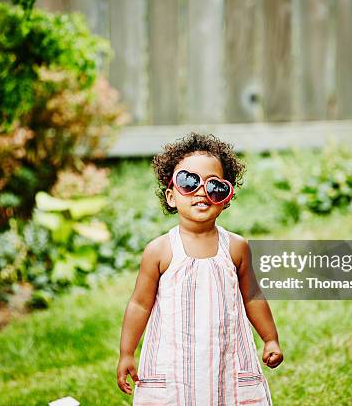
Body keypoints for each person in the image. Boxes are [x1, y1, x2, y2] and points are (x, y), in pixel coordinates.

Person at [117, 132, 283, 405]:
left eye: (214, 186)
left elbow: (252, 296)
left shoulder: (236, 247)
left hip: (225, 360)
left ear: (225, 198)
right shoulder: (160, 251)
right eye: (188, 182)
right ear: (171, 196)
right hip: (174, 365)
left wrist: (270, 339)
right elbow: (139, 305)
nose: (201, 192)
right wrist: (127, 352)